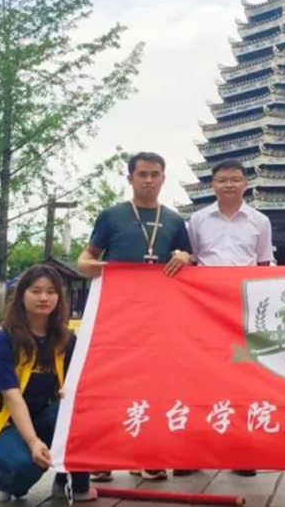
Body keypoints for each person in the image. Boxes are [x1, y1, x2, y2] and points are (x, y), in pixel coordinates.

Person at [77, 151, 193, 483]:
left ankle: (147, 455)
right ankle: (103, 457)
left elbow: (188, 258)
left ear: (164, 178)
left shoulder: (175, 220)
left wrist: (186, 257)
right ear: (130, 178)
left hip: (158, 318)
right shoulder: (111, 216)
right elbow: (87, 256)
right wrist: (86, 265)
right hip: (118, 314)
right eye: (142, 174)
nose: (149, 180)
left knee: (154, 384)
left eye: (155, 174)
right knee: (111, 383)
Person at [0, 265, 96, 503]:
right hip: (1, 420)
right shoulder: (2, 339)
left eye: (51, 292)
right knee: (28, 464)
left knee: (83, 418)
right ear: (21, 295)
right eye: (36, 291)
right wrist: (33, 441)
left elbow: (79, 383)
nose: (44, 298)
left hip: (40, 413)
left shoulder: (64, 338)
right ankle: (0, 478)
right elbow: (12, 396)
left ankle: (68, 482)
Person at [183, 158, 272, 477]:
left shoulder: (260, 221)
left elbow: (264, 265)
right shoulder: (197, 220)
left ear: (246, 184)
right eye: (222, 180)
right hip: (205, 308)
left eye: (235, 179)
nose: (229, 185)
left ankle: (242, 451)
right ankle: (193, 453)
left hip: (243, 308)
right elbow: (191, 261)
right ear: (212, 185)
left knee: (243, 378)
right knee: (200, 377)